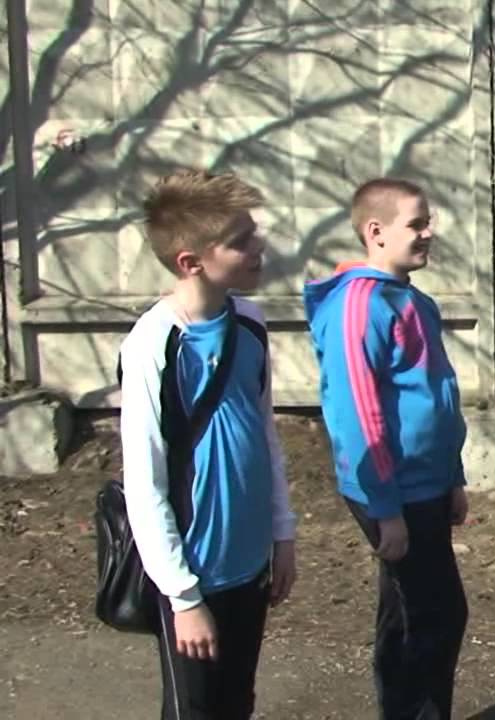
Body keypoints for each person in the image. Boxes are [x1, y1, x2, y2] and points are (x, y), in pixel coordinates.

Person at [119, 169, 298, 719]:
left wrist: (282, 534)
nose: (257, 247)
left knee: (236, 702)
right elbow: (144, 481)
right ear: (190, 262)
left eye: (253, 232)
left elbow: (264, 435)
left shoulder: (250, 324)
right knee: (193, 710)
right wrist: (183, 597)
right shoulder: (154, 344)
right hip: (192, 572)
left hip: (250, 563)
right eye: (240, 240)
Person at [304, 178, 470, 720]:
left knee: (411, 613)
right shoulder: (359, 306)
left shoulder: (414, 301)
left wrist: (453, 476)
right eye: (416, 224)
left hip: (426, 484)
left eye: (428, 222)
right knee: (434, 617)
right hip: (392, 490)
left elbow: (437, 398)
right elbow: (356, 412)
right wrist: (385, 508)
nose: (428, 233)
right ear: (376, 232)